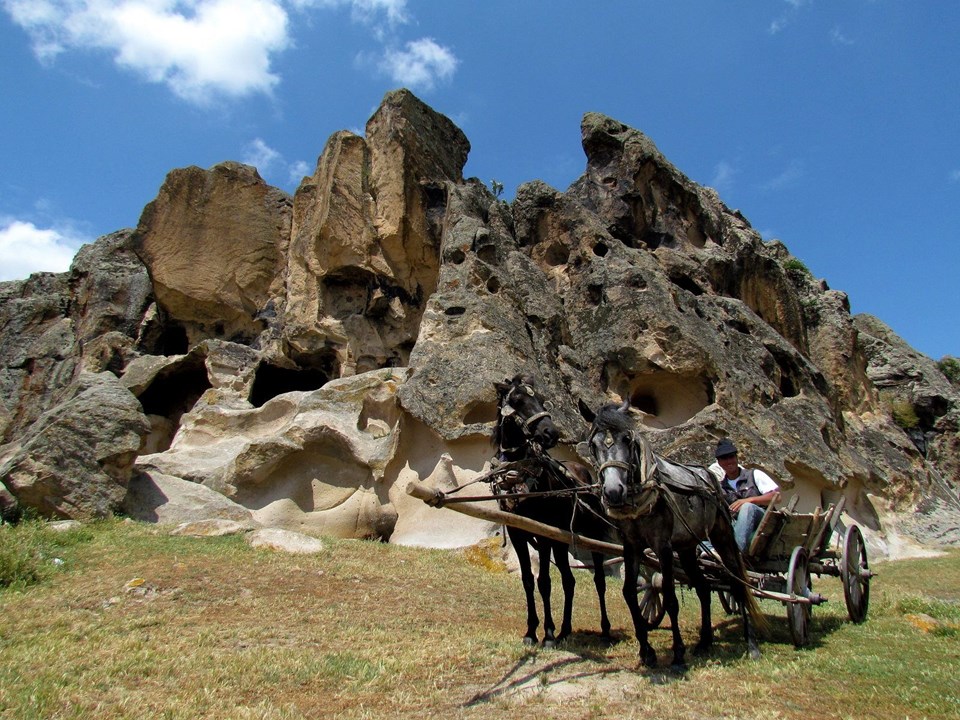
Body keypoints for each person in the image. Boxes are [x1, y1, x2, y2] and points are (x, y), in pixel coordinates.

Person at [708, 438, 780, 554]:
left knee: (747, 507)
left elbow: (776, 496)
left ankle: (735, 552)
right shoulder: (721, 486)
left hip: (762, 521)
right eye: (724, 458)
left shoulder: (754, 474)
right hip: (735, 523)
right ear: (719, 462)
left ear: (736, 458)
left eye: (731, 457)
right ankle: (710, 550)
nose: (729, 461)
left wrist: (750, 500)